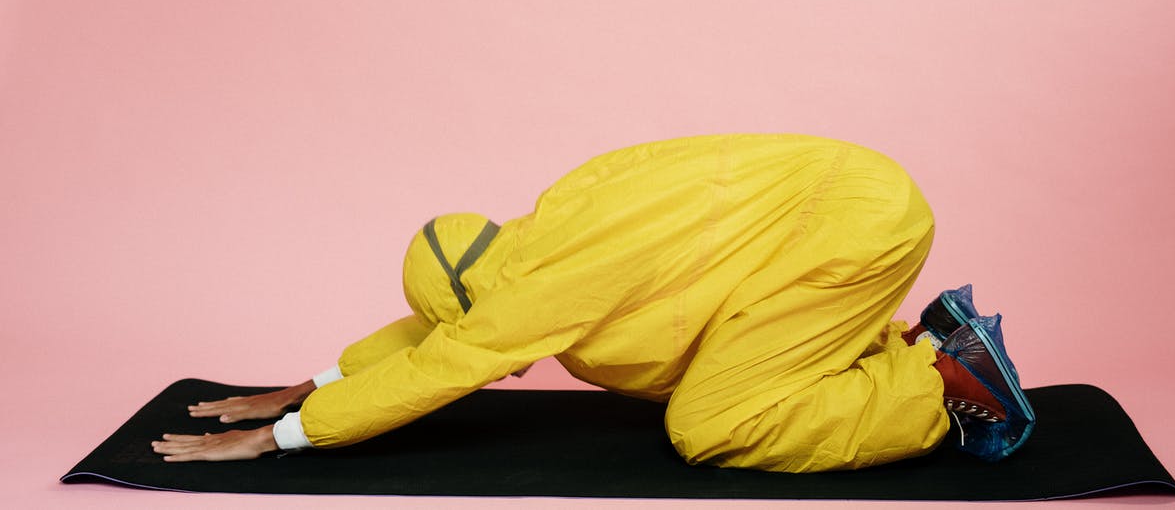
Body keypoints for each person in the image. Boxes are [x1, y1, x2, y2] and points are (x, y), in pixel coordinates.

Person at [152, 134, 1034, 472]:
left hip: (847, 230)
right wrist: (306, 381)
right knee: (746, 343)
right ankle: (904, 344)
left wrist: (284, 434)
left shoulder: (537, 294)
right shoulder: (550, 221)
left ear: (480, 298)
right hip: (852, 193)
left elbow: (441, 366)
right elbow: (430, 338)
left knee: (711, 422)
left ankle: (939, 381)